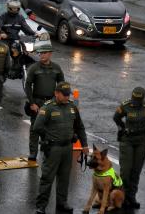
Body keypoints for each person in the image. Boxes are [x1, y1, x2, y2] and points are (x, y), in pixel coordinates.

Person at [33, 82, 88, 214]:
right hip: (53, 148)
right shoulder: (48, 108)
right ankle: (41, 206)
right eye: (64, 95)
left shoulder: (72, 107)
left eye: (68, 95)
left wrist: (84, 144)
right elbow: (37, 127)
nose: (66, 97)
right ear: (56, 93)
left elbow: (80, 127)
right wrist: (48, 138)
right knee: (47, 178)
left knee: (64, 177)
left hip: (67, 148)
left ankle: (62, 202)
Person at [113, 87, 145, 209]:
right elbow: (116, 117)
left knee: (136, 171)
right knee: (126, 170)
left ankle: (131, 197)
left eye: (138, 100)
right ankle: (123, 196)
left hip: (141, 141)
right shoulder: (126, 105)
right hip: (127, 141)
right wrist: (122, 127)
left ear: (143, 99)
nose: (136, 103)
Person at [24, 43, 65, 161]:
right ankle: (33, 152)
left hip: (51, 102)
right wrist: (32, 103)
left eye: (44, 53)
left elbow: (62, 85)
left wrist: (59, 101)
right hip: (37, 101)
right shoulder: (34, 68)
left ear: (50, 54)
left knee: (50, 128)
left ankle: (46, 148)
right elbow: (27, 85)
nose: (41, 55)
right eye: (40, 53)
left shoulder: (56, 68)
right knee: (35, 128)